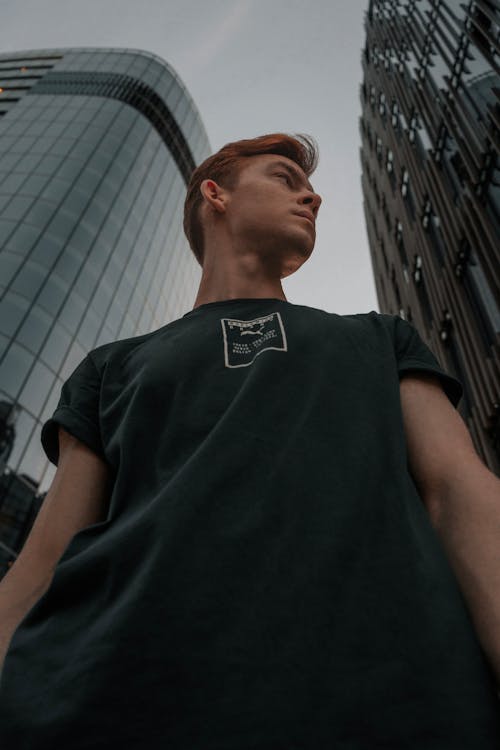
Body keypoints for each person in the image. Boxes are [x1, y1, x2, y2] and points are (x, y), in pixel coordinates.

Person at [0, 132, 499, 748]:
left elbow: (460, 493)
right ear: (217, 195)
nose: (312, 199)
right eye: (286, 179)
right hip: (113, 707)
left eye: (312, 189)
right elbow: (45, 561)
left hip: (393, 706)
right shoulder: (112, 367)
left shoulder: (379, 339)